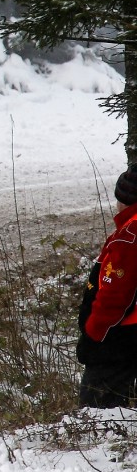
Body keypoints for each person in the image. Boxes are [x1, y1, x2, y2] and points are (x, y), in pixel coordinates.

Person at [77, 165, 137, 408]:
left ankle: (102, 441)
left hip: (119, 337)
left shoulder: (129, 236)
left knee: (99, 408)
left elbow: (115, 296)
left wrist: (93, 336)